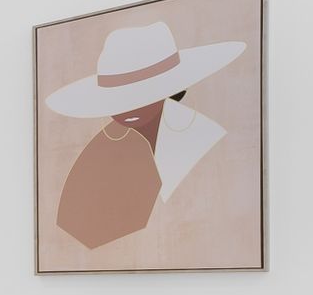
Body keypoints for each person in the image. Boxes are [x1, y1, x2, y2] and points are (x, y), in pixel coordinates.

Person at [46, 20, 243, 250]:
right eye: (118, 98)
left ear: (170, 90)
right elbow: (77, 230)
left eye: (141, 96)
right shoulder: (100, 152)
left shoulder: (210, 144)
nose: (127, 108)